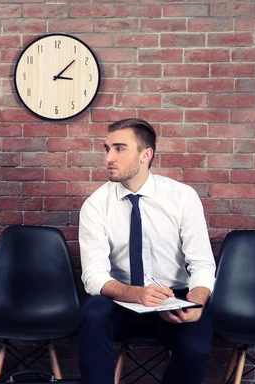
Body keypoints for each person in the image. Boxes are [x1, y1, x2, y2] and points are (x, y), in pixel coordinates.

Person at [78, 118, 216, 384]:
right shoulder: (96, 205)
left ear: (146, 154)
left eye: (119, 149)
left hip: (172, 299)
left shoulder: (182, 197)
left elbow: (202, 263)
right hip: (121, 299)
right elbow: (93, 276)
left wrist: (197, 301)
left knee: (196, 343)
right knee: (93, 313)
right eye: (107, 149)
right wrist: (137, 294)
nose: (109, 157)